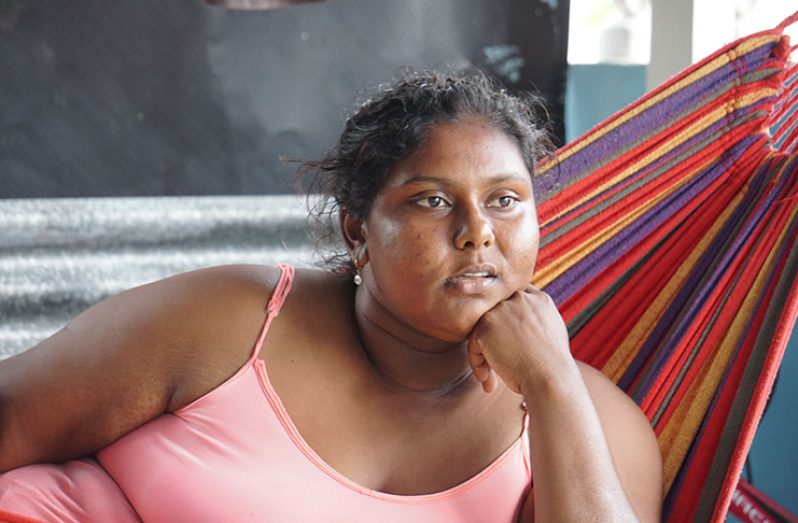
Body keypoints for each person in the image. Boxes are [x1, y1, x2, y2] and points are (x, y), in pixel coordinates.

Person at [0, 71, 663, 522]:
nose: (477, 233)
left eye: (505, 200)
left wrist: (550, 382)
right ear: (358, 232)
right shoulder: (229, 323)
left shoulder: (591, 423)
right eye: (432, 200)